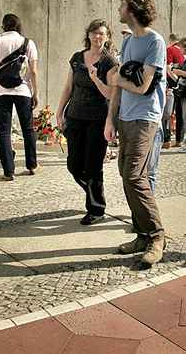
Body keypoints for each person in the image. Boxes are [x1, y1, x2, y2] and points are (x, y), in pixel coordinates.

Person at [105, 0, 166, 267]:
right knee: (125, 173)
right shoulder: (129, 41)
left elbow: (143, 86)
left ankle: (156, 236)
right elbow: (120, 85)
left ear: (131, 10)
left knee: (134, 176)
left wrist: (117, 80)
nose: (119, 9)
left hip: (146, 117)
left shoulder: (155, 42)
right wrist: (111, 118)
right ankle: (142, 235)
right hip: (126, 117)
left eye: (122, 5)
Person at [57, 19, 117, 225]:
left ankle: (96, 209)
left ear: (107, 37)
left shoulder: (109, 62)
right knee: (74, 165)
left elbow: (111, 93)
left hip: (97, 120)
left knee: (93, 166)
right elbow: (68, 87)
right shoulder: (77, 58)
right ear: (88, 35)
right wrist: (59, 112)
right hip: (75, 116)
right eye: (94, 32)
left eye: (101, 33)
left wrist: (96, 79)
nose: (97, 36)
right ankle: (94, 191)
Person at [0, 14, 40, 180]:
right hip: (23, 90)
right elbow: (33, 71)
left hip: (1, 91)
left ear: (3, 26)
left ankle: (8, 171)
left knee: (3, 131)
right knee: (28, 129)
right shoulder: (28, 43)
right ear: (19, 26)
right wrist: (35, 92)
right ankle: (32, 165)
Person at [163, 33, 186, 148]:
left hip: (172, 85)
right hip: (184, 85)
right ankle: (179, 140)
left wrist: (176, 81)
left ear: (170, 40)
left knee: (167, 113)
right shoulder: (184, 52)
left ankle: (166, 140)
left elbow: (168, 68)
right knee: (180, 113)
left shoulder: (170, 50)